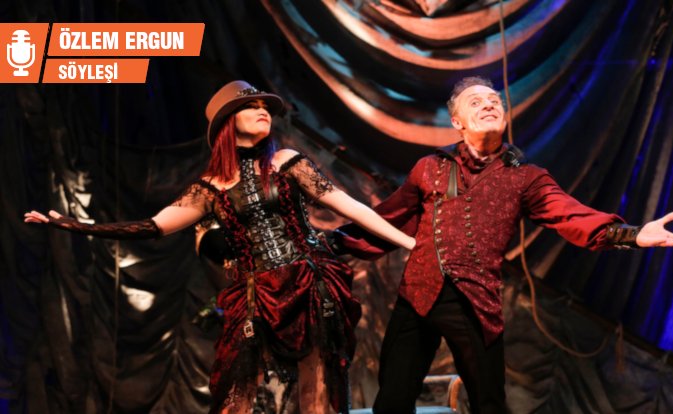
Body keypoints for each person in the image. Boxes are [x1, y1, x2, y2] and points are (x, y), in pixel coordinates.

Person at [25, 80, 416, 414]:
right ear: (229, 122)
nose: (263, 111)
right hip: (256, 295)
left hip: (309, 284)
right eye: (252, 106)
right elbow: (153, 226)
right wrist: (74, 225)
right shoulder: (210, 187)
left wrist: (408, 242)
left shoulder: (287, 162)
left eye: (265, 107)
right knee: (236, 396)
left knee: (318, 394)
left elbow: (352, 207)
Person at [332, 76, 673, 414]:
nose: (488, 105)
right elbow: (389, 218)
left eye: (494, 101)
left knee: (489, 405)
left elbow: (570, 215)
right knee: (392, 403)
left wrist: (631, 234)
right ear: (457, 122)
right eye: (476, 102)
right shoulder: (429, 168)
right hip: (417, 296)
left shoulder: (526, 178)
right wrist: (332, 242)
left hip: (475, 302)